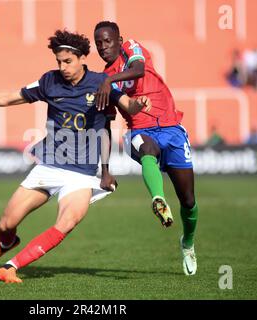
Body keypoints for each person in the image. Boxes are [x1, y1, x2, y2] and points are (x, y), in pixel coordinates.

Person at [0, 30, 151, 283]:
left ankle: (11, 267)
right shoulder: (50, 82)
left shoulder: (102, 82)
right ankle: (7, 243)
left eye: (67, 61)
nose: (63, 67)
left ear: (82, 58)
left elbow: (126, 106)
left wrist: (139, 104)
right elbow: (8, 98)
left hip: (83, 174)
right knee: (5, 224)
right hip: (50, 166)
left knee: (67, 222)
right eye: (59, 61)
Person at [93, 21, 198, 276]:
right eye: (98, 44)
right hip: (139, 130)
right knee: (146, 147)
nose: (103, 47)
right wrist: (104, 170)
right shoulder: (103, 82)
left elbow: (138, 70)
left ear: (119, 40)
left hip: (172, 128)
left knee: (189, 200)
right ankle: (158, 198)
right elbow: (105, 127)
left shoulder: (131, 48)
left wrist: (110, 80)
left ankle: (187, 243)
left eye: (108, 41)